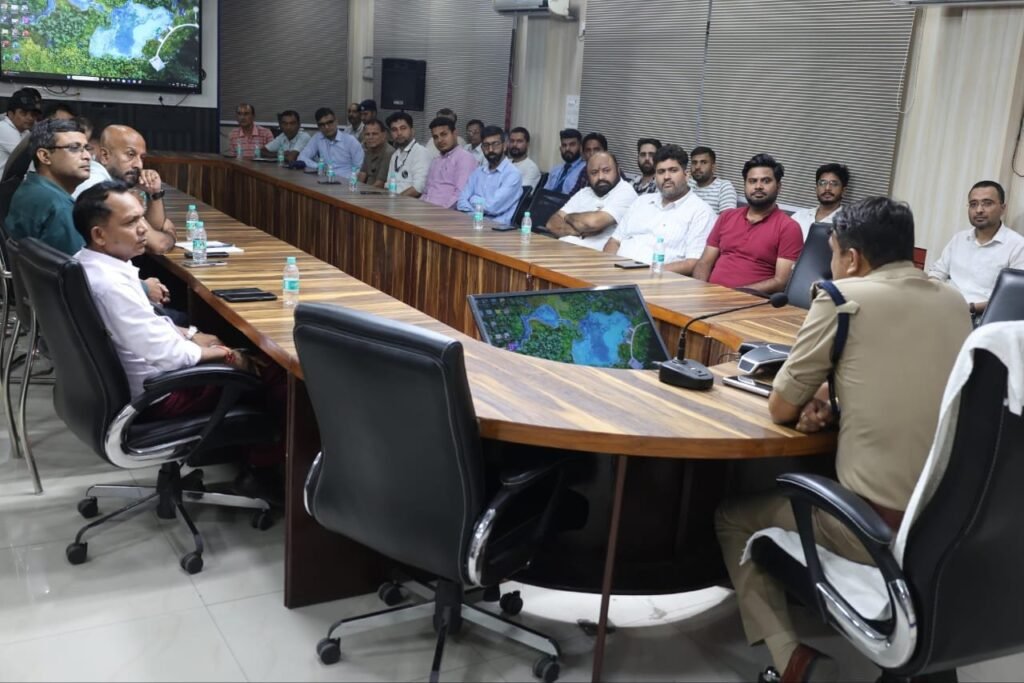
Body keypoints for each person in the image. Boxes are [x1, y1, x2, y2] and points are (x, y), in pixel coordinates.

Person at [715, 197, 972, 683]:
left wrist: (815, 402)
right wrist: (836, 400)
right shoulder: (953, 300)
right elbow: (908, 380)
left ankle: (792, 661)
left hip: (874, 526)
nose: (831, 264)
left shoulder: (840, 297)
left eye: (833, 253)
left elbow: (781, 407)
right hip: (949, 520)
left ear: (851, 258)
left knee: (733, 517)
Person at [72, 181, 286, 499]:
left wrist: (191, 335)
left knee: (227, 342)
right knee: (277, 371)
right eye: (131, 222)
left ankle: (246, 457)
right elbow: (170, 356)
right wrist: (226, 355)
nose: (143, 229)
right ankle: (263, 474)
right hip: (160, 397)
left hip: (134, 385)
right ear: (99, 235)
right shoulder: (111, 286)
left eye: (141, 217)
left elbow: (149, 327)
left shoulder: (87, 264)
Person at [692, 154, 803, 294]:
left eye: (766, 181)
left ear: (779, 187)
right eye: (752, 181)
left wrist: (732, 295)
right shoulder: (727, 217)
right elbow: (705, 262)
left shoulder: (789, 227)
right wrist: (698, 291)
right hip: (709, 296)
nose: (758, 186)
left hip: (750, 301)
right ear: (745, 185)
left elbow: (781, 281)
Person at [602, 145, 716, 274]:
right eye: (661, 172)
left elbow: (692, 263)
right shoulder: (641, 202)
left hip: (656, 279)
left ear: (686, 174)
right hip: (616, 273)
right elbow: (614, 241)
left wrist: (646, 273)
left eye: (673, 170)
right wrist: (609, 268)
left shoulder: (701, 212)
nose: (666, 177)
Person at [72, 125, 177, 255]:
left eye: (142, 158)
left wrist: (154, 193)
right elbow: (159, 245)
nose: (139, 165)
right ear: (105, 156)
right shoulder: (100, 188)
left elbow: (150, 229)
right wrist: (170, 232)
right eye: (130, 154)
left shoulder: (99, 176)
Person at [929, 180, 1024, 323]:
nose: (979, 210)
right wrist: (932, 294)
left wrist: (970, 308)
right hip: (945, 310)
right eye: (973, 204)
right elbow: (937, 273)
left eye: (987, 203)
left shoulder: (1017, 245)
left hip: (983, 320)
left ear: (1003, 208)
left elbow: (1013, 296)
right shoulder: (959, 239)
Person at [7, 119, 93, 255]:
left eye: (87, 148)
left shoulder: (29, 187)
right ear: (45, 156)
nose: (87, 156)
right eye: (74, 148)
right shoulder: (60, 207)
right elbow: (80, 265)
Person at [546, 151, 637, 251]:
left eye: (606, 171)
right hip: (564, 250)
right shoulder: (584, 192)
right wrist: (578, 231)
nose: (600, 177)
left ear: (618, 171)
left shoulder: (625, 191)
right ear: (588, 176)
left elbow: (593, 223)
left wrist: (568, 217)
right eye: (594, 173)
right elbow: (551, 224)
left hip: (594, 256)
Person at [456, 125, 522, 225]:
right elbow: (461, 200)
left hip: (496, 228)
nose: (490, 149)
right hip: (472, 222)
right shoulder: (478, 172)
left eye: (495, 144)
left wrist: (472, 198)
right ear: (482, 148)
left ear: (505, 146)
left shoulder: (513, 174)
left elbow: (492, 207)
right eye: (486, 145)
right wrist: (476, 215)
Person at [421, 117, 479, 209]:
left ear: (454, 133)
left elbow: (460, 195)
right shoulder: (435, 161)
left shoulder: (465, 158)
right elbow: (426, 192)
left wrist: (438, 212)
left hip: (445, 213)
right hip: (426, 210)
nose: (439, 140)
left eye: (444, 134)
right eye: (435, 137)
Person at [295, 107, 365, 175]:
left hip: (345, 180)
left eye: (330, 122)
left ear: (336, 121)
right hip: (324, 179)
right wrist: (319, 166)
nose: (326, 127)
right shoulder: (317, 138)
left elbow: (359, 167)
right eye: (322, 125)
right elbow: (301, 158)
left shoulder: (350, 141)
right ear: (318, 126)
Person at [790, 163, 848, 240]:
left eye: (834, 184)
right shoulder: (798, 217)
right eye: (822, 183)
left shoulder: (847, 224)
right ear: (816, 189)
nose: (827, 188)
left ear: (843, 191)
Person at [385, 111, 431, 197]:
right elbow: (388, 185)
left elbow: (418, 188)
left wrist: (396, 200)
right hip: (393, 200)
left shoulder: (421, 152)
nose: (399, 133)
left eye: (403, 128)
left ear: (412, 131)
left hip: (411, 202)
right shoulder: (395, 155)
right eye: (394, 130)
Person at [0, 89, 40, 174]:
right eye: (23, 113)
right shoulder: (4, 128)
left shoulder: (25, 132)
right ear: (11, 114)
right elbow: (29, 165)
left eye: (32, 114)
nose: (30, 118)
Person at [688, 146, 737, 214]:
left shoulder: (724, 187)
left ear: (713, 167)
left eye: (703, 162)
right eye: (694, 162)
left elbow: (727, 219)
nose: (697, 167)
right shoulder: (688, 184)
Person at [543, 128, 585, 195]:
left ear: (580, 147)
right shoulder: (555, 170)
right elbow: (543, 193)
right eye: (564, 145)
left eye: (572, 145)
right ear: (560, 148)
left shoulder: (585, 170)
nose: (567, 149)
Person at [566, 132, 609, 196]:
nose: (592, 153)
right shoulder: (585, 170)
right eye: (588, 150)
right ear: (583, 154)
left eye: (596, 149)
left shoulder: (613, 172)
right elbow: (573, 194)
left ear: (605, 152)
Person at [356, 119, 394, 189]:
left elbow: (380, 184)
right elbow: (362, 174)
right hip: (366, 190)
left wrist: (362, 192)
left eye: (375, 134)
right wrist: (354, 189)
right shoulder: (369, 149)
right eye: (367, 134)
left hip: (379, 192)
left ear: (384, 135)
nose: (370, 137)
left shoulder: (389, 153)